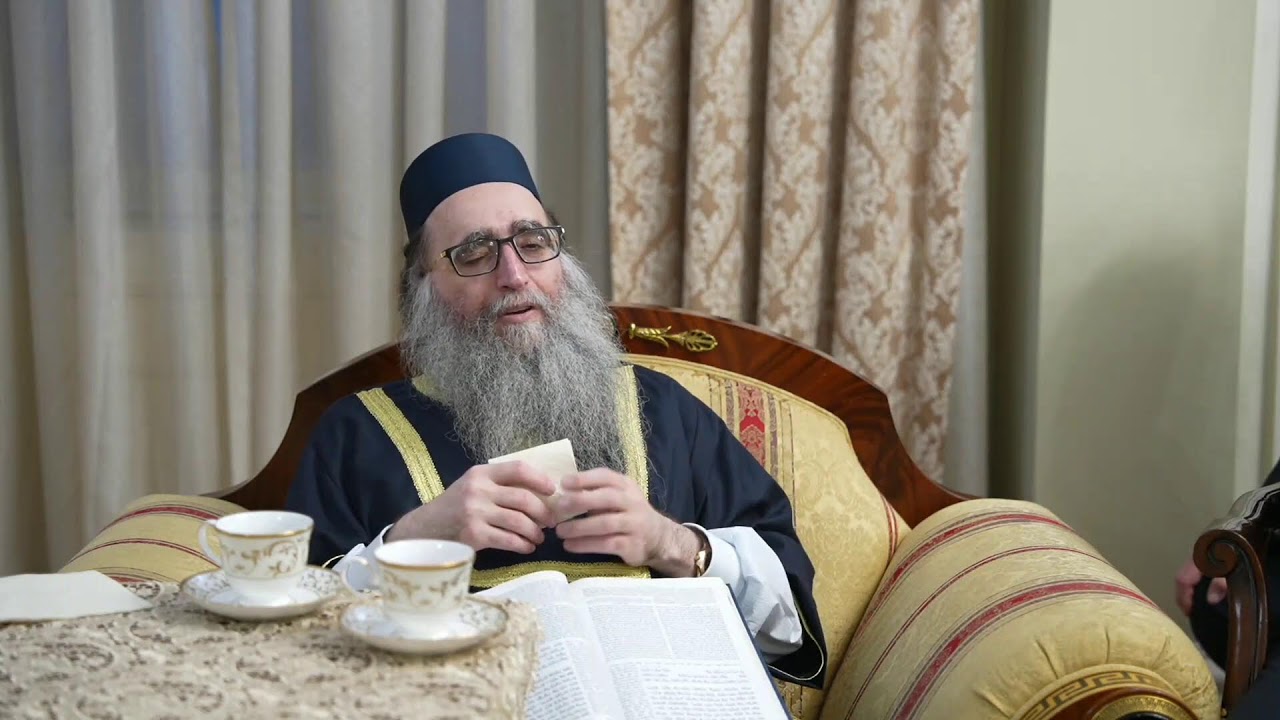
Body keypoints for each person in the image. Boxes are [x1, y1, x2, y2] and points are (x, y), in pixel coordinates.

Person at [285, 132, 827, 688]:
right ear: (421, 288)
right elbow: (290, 645)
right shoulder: (356, 434)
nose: (514, 275)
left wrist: (670, 543)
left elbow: (786, 628)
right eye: (474, 254)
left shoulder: (665, 412)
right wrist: (411, 545)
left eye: (532, 241)